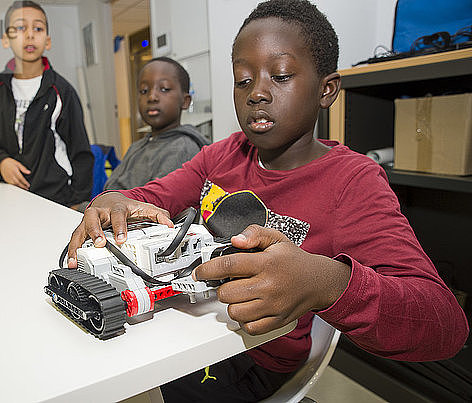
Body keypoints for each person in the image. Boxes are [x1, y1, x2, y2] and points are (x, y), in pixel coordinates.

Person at [67, 0, 469, 401]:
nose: (257, 92)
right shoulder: (223, 155)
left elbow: (444, 324)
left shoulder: (352, 182)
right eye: (242, 80)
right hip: (191, 330)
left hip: (255, 356)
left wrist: (328, 283)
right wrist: (114, 198)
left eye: (279, 76)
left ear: (326, 90)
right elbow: (152, 196)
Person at [0, 1, 93, 207]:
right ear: (6, 39)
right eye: (20, 28)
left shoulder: (61, 91)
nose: (30, 35)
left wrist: (77, 202)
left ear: (47, 41)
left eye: (38, 28)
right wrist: (2, 161)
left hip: (57, 198)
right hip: (12, 194)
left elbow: (81, 152)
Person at [103, 57, 210, 191]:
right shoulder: (137, 146)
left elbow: (155, 204)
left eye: (164, 89)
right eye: (144, 91)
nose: (152, 97)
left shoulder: (181, 149)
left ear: (185, 101)